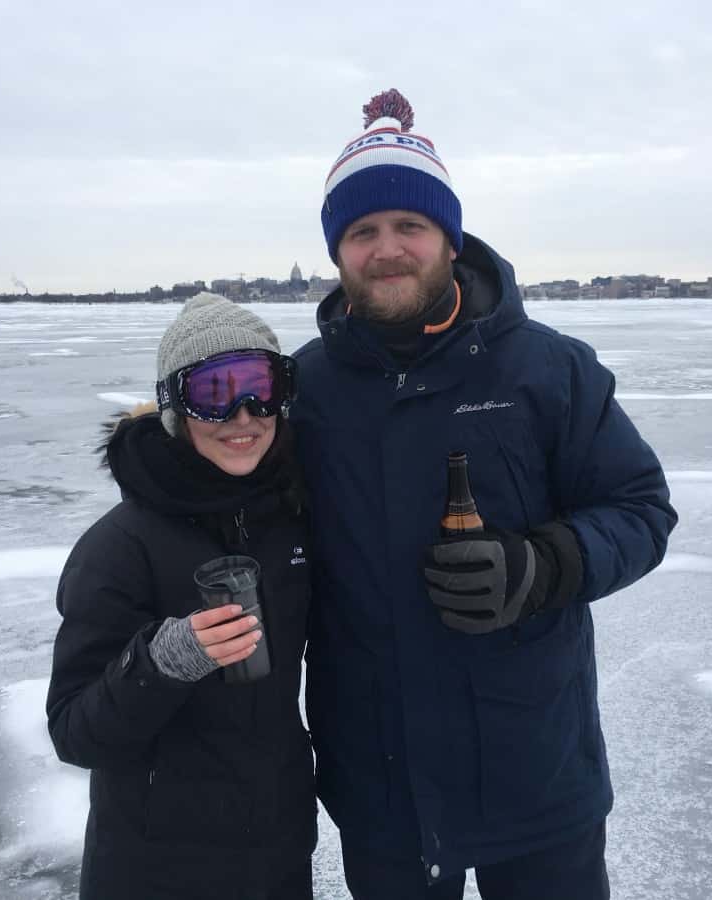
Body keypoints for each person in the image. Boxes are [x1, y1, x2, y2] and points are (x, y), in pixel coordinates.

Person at [289, 90, 678, 899]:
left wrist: (545, 566)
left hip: (533, 767)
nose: (386, 249)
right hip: (378, 776)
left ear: (448, 238)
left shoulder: (550, 369)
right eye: (362, 231)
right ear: (337, 252)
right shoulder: (307, 387)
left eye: (409, 226)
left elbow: (640, 509)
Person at [47, 293, 316, 900]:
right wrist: (161, 663)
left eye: (261, 386)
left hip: (277, 851)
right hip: (155, 866)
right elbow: (73, 732)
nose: (245, 415)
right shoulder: (119, 546)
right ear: (175, 408)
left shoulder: (291, 523)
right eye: (215, 394)